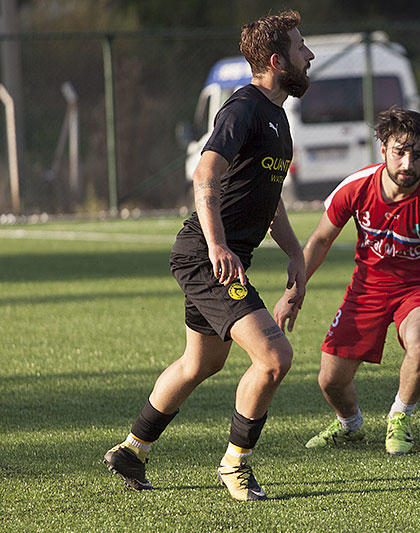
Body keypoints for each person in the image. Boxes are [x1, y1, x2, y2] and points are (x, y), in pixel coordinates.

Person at [103, 11, 314, 502]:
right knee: (274, 357)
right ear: (278, 60)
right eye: (302, 48)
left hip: (222, 254)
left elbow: (269, 196)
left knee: (200, 362)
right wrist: (218, 245)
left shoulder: (278, 116)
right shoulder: (242, 108)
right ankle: (235, 464)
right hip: (207, 254)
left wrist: (295, 251)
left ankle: (133, 449)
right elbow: (205, 175)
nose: (310, 55)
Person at [283, 107, 420, 455]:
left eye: (417, 155)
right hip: (366, 290)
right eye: (400, 152)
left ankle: (400, 416)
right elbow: (319, 241)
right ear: (383, 149)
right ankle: (350, 426)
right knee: (330, 380)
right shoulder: (356, 187)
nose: (407, 164)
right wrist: (292, 293)